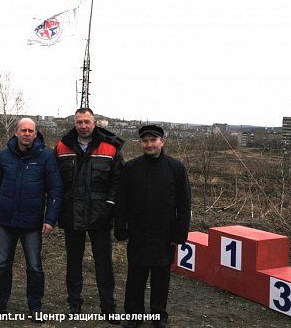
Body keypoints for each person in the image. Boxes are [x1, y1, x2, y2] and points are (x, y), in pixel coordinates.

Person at [0, 118, 62, 323]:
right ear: (16, 132)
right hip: (6, 222)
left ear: (36, 134)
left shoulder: (45, 156)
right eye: (23, 130)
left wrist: (50, 219)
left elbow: (55, 190)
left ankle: (35, 307)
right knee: (2, 265)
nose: (27, 133)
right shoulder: (4, 155)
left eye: (30, 130)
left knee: (34, 267)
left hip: (32, 224)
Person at [115, 125, 192, 328]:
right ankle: (133, 316)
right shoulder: (131, 168)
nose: (149, 144)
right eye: (145, 141)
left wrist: (180, 234)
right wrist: (120, 228)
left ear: (162, 142)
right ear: (141, 143)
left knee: (161, 279)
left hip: (164, 234)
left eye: (153, 140)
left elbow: (184, 205)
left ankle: (159, 316)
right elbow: (121, 201)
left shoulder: (176, 168)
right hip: (138, 232)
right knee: (135, 277)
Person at [55, 108, 124, 323]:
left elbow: (118, 181)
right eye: (79, 122)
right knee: (73, 264)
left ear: (94, 123)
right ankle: (74, 304)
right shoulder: (61, 146)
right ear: (74, 124)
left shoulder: (110, 147)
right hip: (72, 215)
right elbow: (55, 181)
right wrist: (60, 208)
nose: (83, 126)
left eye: (87, 122)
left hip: (100, 217)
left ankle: (108, 306)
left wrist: (109, 206)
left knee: (104, 265)